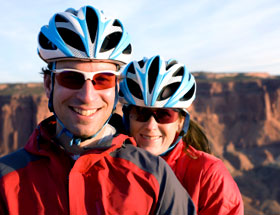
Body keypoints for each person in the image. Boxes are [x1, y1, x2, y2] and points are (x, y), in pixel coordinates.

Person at [0, 6, 196, 215]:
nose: (87, 97)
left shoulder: (155, 177)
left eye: (102, 80)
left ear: (116, 88)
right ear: (49, 85)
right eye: (71, 78)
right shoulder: (6, 181)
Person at [119, 55, 244, 215]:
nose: (151, 126)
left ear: (180, 121)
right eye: (141, 113)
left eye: (164, 115)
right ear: (127, 116)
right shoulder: (107, 164)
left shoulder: (208, 175)